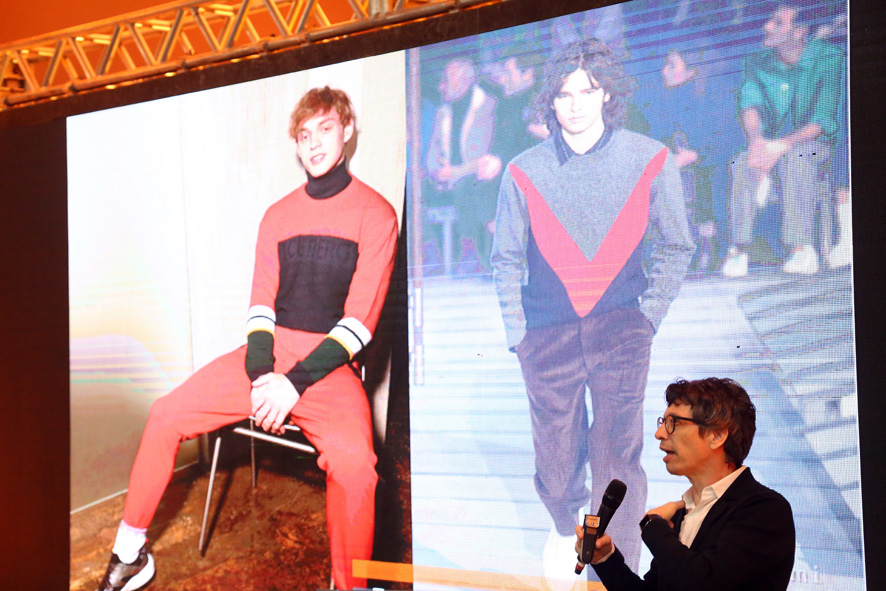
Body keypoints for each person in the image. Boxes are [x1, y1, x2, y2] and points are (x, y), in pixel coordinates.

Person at [96, 86, 399, 591]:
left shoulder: (377, 213)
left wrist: (291, 385)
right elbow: (260, 307)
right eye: (304, 134)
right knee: (166, 413)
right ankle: (129, 555)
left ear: (347, 131)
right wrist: (263, 378)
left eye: (325, 129)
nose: (314, 143)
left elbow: (359, 323)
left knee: (356, 469)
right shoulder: (277, 215)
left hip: (327, 368)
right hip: (267, 359)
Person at [490, 39, 694, 589]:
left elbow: (678, 245)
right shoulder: (522, 171)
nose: (576, 104)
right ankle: (564, 528)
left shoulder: (650, 159)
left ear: (608, 94)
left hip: (622, 330)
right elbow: (505, 258)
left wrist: (647, 318)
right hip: (546, 336)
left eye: (588, 90)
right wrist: (518, 335)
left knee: (618, 457)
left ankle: (615, 568)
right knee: (557, 464)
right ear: (549, 102)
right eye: (564, 94)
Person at [578, 377, 796, 591]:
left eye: (674, 423)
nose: (659, 434)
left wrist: (653, 527)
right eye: (663, 423)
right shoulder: (682, 513)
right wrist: (605, 559)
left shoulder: (765, 510)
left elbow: (703, 583)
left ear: (717, 435)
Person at [721, 2, 844, 278]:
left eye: (778, 23)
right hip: (770, 145)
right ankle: (738, 249)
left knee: (796, 156)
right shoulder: (757, 61)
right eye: (769, 20)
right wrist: (757, 142)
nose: (767, 27)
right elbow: (749, 104)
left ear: (800, 31)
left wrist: (780, 145)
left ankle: (802, 249)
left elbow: (823, 120)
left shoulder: (829, 58)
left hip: (818, 145)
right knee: (743, 161)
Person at [426, 57, 501, 274]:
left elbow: (484, 157)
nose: (441, 86)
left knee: (467, 186)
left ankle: (472, 251)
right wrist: (435, 171)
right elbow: (432, 151)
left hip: (475, 177)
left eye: (446, 80)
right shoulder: (442, 111)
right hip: (446, 178)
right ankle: (427, 255)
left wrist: (454, 173)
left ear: (465, 81)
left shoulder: (488, 106)